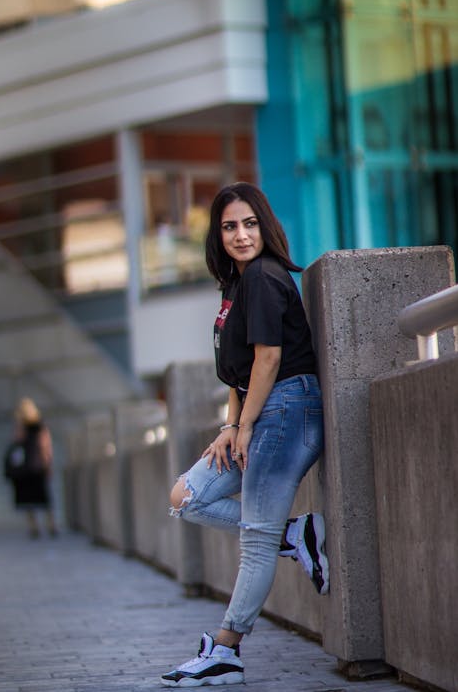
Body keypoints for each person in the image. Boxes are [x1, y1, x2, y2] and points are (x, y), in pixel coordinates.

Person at [161, 182, 328, 687]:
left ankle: (226, 648)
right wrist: (230, 426)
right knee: (187, 497)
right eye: (230, 226)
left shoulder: (264, 277)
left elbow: (270, 359)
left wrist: (247, 425)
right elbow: (239, 373)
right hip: (259, 408)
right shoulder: (234, 288)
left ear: (266, 227)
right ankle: (297, 533)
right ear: (218, 234)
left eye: (250, 223)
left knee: (254, 539)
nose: (241, 234)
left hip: (288, 408)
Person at [4, 397, 57, 538]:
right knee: (39, 498)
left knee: (34, 499)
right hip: (35, 467)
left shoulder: (31, 427)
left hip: (29, 468)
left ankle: (38, 526)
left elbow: (18, 444)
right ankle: (47, 525)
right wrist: (47, 463)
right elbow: (45, 447)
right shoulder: (34, 427)